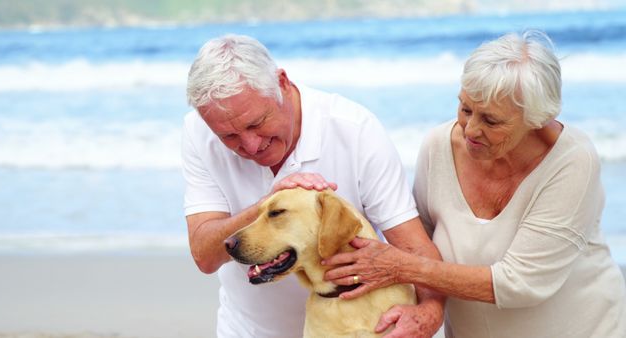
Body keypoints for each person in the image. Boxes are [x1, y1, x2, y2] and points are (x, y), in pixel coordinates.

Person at [322, 30, 626, 337]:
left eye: (491, 121)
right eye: (466, 109)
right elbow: (420, 243)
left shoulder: (573, 161)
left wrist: (402, 267)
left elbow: (522, 283)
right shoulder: (438, 146)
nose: (470, 129)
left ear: (537, 119)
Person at [182, 34, 444, 338]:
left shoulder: (354, 129)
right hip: (247, 330)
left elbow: (412, 246)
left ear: (282, 82)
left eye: (257, 123)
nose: (251, 145)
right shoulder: (199, 132)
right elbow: (205, 254)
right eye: (230, 137)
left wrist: (430, 313)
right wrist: (270, 203)